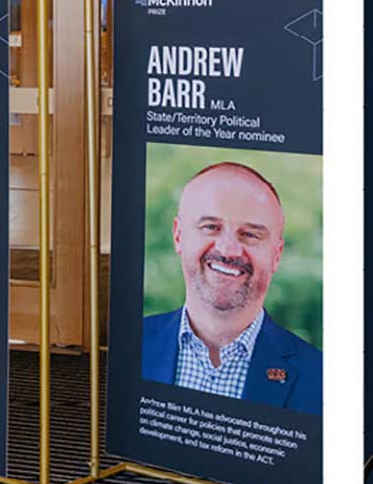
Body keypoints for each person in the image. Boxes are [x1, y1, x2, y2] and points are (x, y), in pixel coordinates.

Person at [137, 160, 321, 413]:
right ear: (179, 236)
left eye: (251, 234)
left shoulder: (322, 379)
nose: (228, 250)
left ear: (276, 254)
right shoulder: (130, 345)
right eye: (211, 227)